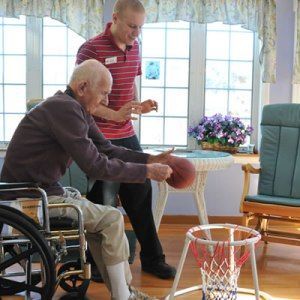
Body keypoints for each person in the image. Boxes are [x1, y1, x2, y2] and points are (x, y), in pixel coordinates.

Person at [0, 59, 173, 300]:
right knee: (111, 218)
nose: (107, 101)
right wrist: (147, 173)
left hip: (39, 193)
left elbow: (107, 149)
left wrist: (149, 159)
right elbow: (95, 165)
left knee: (100, 222)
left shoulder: (73, 107)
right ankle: (124, 296)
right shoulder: (65, 109)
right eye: (103, 92)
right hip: (27, 200)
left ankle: (124, 291)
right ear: (82, 88)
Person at [76, 0, 176, 280]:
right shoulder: (91, 49)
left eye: (140, 27)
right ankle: (96, 265)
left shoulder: (136, 48)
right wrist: (116, 114)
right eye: (132, 26)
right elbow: (83, 100)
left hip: (126, 135)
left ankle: (153, 260)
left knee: (141, 196)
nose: (136, 33)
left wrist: (136, 105)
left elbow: (131, 80)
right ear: (115, 18)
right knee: (103, 203)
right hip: (98, 136)